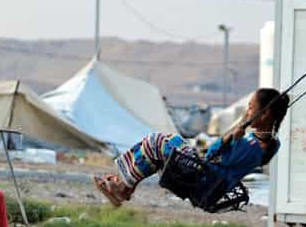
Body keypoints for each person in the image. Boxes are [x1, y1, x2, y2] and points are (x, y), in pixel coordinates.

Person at [94, 88, 290, 208]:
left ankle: (123, 186)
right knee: (160, 150)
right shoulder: (268, 143)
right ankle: (125, 188)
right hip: (208, 178)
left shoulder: (252, 146)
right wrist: (235, 135)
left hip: (204, 179)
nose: (247, 112)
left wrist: (230, 138)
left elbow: (215, 155)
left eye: (250, 107)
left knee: (157, 141)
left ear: (265, 114)